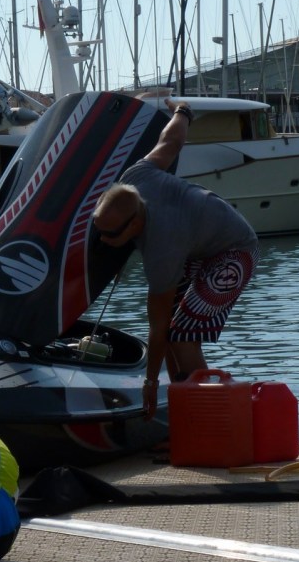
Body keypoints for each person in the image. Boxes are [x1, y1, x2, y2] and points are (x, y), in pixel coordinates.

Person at [92, 100, 259, 418]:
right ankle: (181, 407)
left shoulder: (162, 248)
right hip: (199, 244)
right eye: (99, 231)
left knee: (182, 335)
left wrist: (150, 382)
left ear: (135, 225)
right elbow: (171, 142)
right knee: (172, 331)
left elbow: (156, 328)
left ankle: (211, 416)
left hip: (235, 250)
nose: (103, 240)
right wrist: (182, 111)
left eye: (111, 235)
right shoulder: (136, 176)